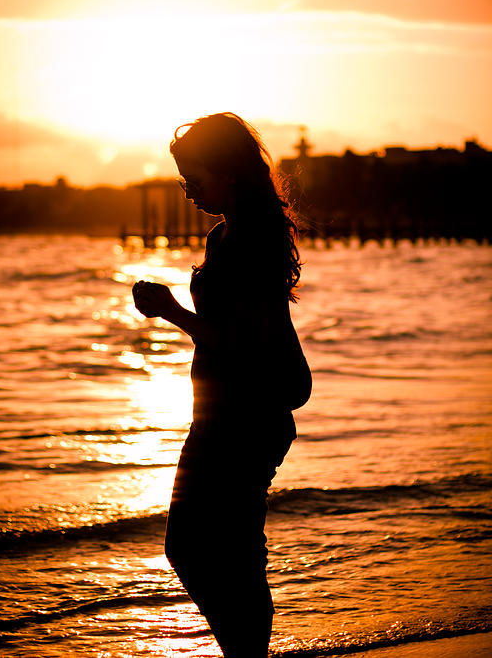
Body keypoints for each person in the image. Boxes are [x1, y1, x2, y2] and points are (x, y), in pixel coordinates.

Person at [132, 112, 311, 658]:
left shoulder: (251, 242)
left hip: (247, 417)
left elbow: (240, 342)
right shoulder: (225, 235)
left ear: (228, 172)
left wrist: (171, 312)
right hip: (219, 413)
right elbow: (228, 336)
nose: (187, 190)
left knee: (202, 547)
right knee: (214, 548)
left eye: (195, 176)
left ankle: (247, 655)